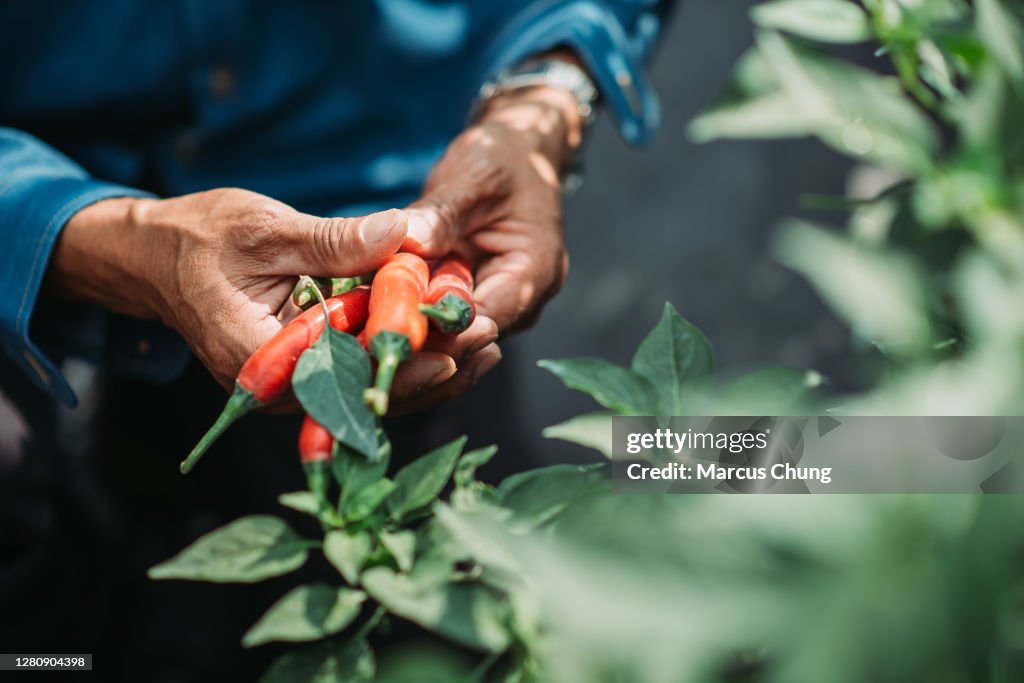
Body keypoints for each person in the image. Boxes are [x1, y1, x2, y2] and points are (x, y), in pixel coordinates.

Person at [0, 1, 667, 676]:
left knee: (497, 570)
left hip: (383, 200)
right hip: (42, 222)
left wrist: (545, 96)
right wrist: (95, 234)